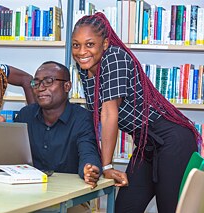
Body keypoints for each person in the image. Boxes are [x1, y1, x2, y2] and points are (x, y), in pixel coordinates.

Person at [72, 12, 200, 213]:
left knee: (170, 209)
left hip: (172, 140)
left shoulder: (114, 57)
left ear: (104, 44)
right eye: (76, 45)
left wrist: (106, 167)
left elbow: (108, 114)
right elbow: (96, 118)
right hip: (145, 145)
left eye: (89, 44)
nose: (81, 51)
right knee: (124, 208)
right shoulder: (85, 68)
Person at [15, 61, 102, 188]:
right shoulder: (25, 115)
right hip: (29, 191)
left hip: (68, 195)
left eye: (48, 81)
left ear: (67, 86)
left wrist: (89, 169)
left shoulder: (81, 118)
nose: (40, 88)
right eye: (36, 83)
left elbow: (88, 152)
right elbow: (12, 156)